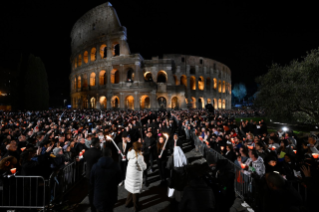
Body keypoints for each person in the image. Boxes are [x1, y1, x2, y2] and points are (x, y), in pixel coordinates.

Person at [90, 147, 121, 212]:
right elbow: (119, 179)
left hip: (99, 194)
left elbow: (91, 181)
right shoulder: (115, 166)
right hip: (111, 194)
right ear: (110, 154)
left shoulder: (95, 166)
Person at [124, 142, 147, 211]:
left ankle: (127, 203)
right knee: (135, 192)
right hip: (135, 177)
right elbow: (143, 167)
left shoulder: (130, 152)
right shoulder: (139, 156)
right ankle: (136, 207)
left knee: (131, 189)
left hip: (130, 175)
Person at [83, 138, 102, 212]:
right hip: (97, 174)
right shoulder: (99, 152)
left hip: (89, 174)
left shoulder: (86, 152)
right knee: (98, 190)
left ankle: (92, 207)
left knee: (91, 192)